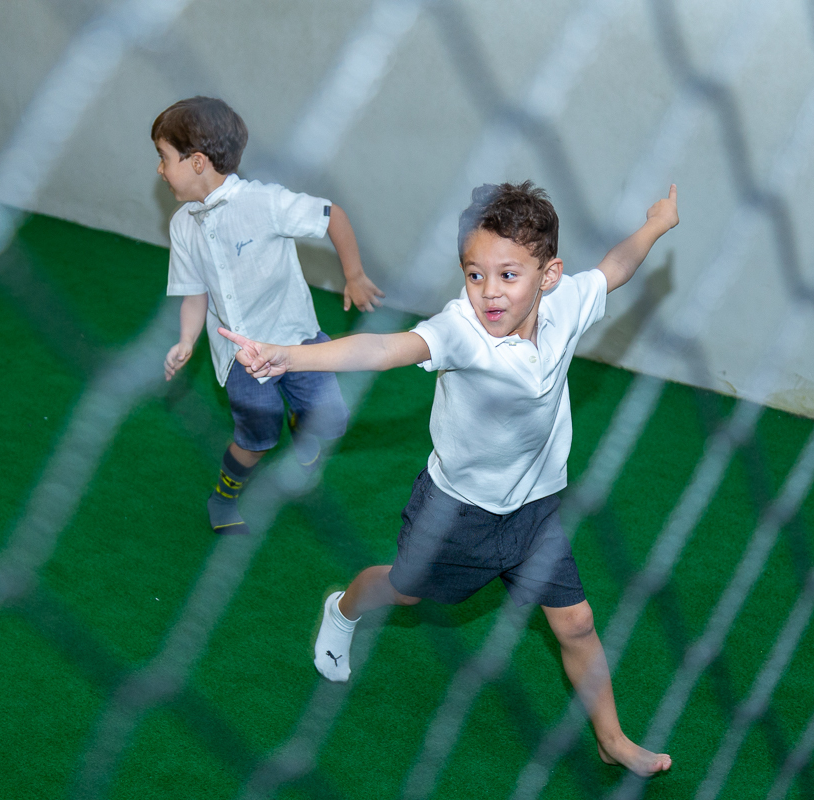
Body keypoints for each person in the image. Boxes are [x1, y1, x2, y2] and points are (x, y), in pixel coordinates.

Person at [220, 181, 679, 776]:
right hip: (456, 512)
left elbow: (614, 268)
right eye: (474, 274)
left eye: (508, 275)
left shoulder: (568, 303)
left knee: (578, 622)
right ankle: (342, 609)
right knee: (404, 589)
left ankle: (612, 739)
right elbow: (384, 349)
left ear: (549, 275)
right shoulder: (461, 329)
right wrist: (291, 356)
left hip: (536, 508)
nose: (489, 292)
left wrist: (657, 224)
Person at [154, 96, 384, 535]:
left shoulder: (264, 203)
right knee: (257, 438)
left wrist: (353, 275)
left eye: (164, 158)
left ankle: (304, 423)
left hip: (297, 339)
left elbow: (331, 215)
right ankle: (224, 497)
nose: (160, 170)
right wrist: (186, 341)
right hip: (243, 357)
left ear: (198, 161)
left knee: (331, 420)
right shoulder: (184, 225)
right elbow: (194, 293)